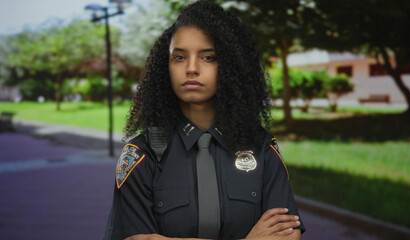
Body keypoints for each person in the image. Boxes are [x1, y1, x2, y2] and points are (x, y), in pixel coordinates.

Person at [104, 1, 305, 239]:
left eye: (208, 57)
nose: (191, 68)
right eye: (179, 57)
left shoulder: (260, 146)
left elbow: (287, 232)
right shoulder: (141, 153)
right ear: (164, 66)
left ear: (230, 66)